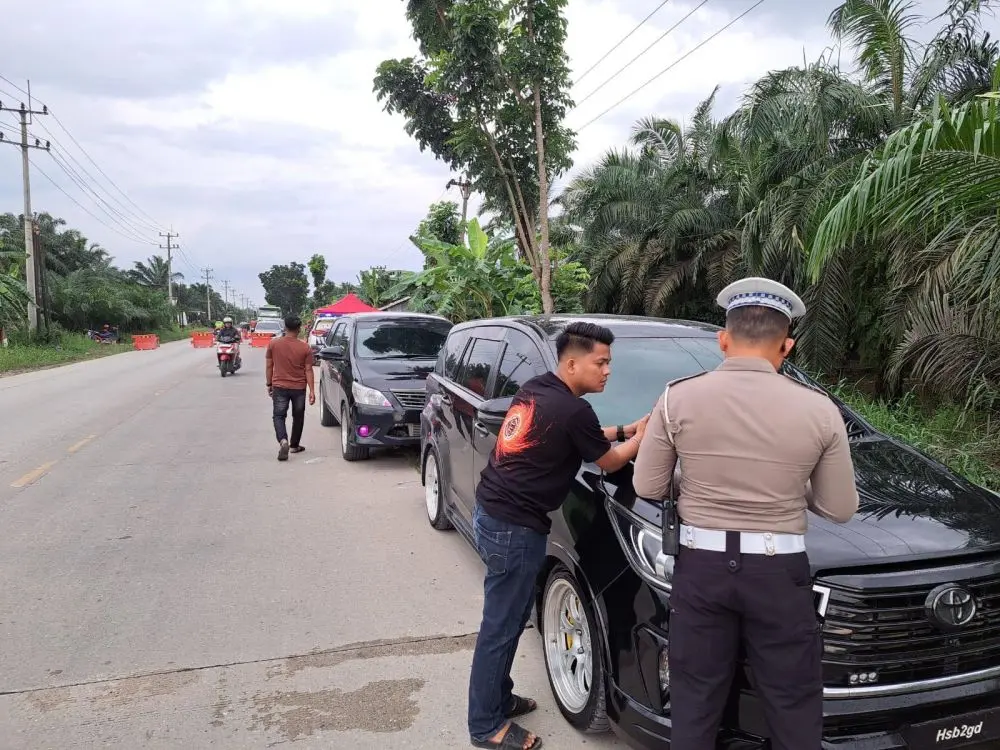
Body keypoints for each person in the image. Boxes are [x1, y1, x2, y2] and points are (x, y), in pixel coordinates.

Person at [632, 277, 860, 750]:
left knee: (694, 705)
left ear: (724, 339)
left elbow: (646, 485)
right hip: (779, 575)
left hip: (701, 571)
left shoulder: (677, 397)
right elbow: (840, 508)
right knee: (793, 707)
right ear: (787, 346)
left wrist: (690, 479)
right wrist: (791, 486)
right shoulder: (820, 410)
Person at [468, 321, 650, 750]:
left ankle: (498, 697)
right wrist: (645, 437)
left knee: (507, 620)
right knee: (502, 626)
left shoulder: (540, 389)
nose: (608, 371)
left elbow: (585, 438)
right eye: (600, 362)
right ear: (572, 362)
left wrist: (626, 429)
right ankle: (485, 726)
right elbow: (607, 462)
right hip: (514, 528)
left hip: (492, 512)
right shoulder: (573, 410)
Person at [265, 315, 315, 461]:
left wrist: (269, 384)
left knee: (279, 416)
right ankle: (294, 445)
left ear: (285, 327)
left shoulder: (273, 344)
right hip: (299, 388)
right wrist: (312, 390)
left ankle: (283, 440)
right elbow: (309, 370)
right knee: (298, 417)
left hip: (279, 386)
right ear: (299, 329)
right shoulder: (305, 347)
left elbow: (269, 365)